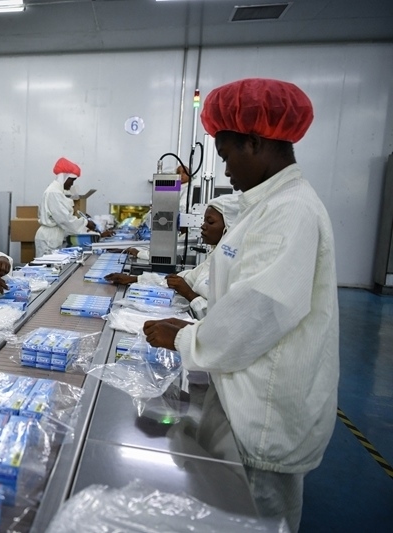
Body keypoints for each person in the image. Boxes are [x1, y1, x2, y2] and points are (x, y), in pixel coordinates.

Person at [142, 78, 339, 532]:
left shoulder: (290, 210)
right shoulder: (266, 205)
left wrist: (186, 338)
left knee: (258, 519)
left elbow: (259, 309)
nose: (226, 170)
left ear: (255, 141)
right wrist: (195, 326)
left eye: (227, 154)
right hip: (244, 394)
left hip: (265, 414)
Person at [105, 194, 240, 319]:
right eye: (204, 221)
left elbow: (220, 319)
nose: (203, 226)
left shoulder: (234, 266)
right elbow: (180, 279)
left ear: (229, 228)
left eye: (210, 222)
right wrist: (134, 279)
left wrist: (189, 294)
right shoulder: (214, 257)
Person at [34, 157, 98, 258]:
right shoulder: (54, 192)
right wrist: (86, 223)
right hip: (48, 239)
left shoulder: (58, 191)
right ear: (64, 177)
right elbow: (64, 219)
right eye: (71, 180)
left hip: (53, 237)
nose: (72, 184)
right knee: (47, 265)